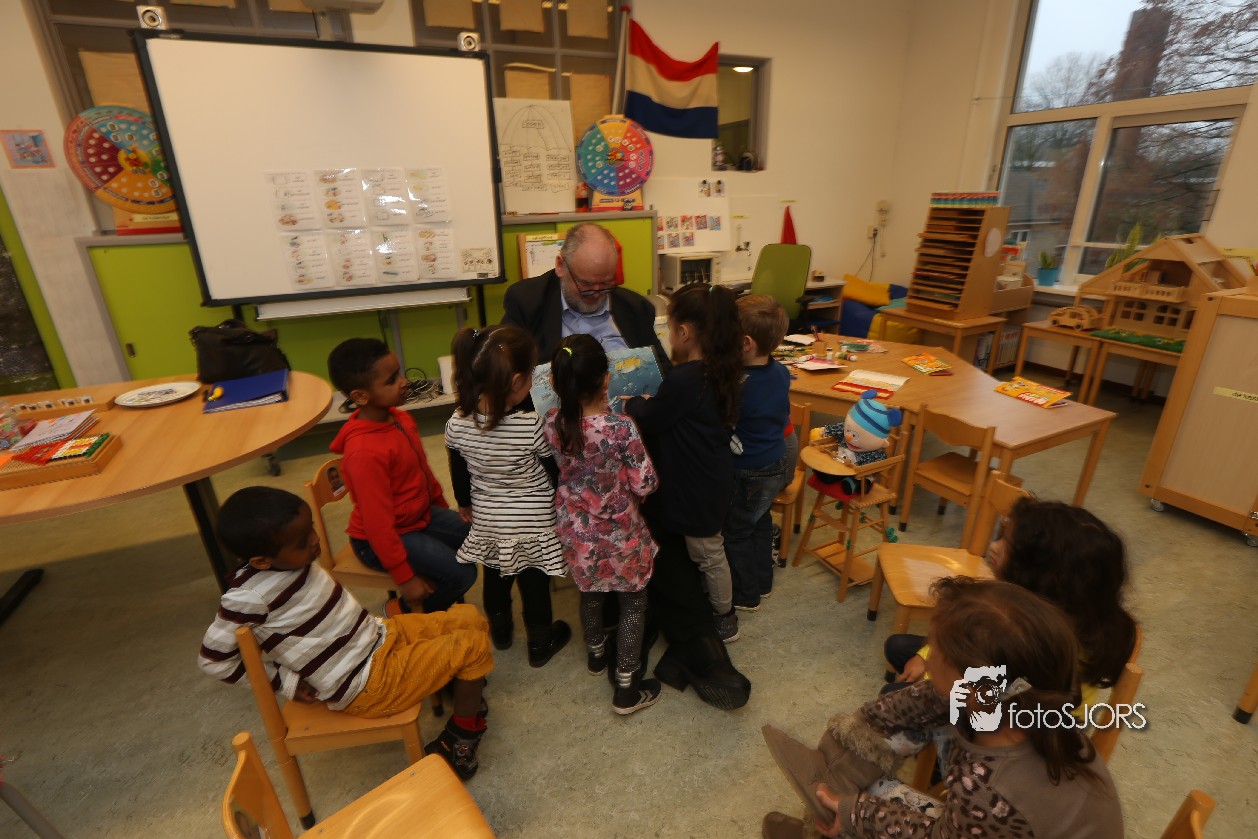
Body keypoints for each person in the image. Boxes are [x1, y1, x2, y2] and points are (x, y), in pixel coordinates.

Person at [761, 577, 1124, 838]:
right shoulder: (1014, 701)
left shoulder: (988, 786)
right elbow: (926, 700)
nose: (927, 652)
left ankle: (829, 819)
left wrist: (857, 812)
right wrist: (858, 727)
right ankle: (828, 803)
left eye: (934, 646)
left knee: (867, 802)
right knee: (894, 728)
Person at [198, 487, 493, 780]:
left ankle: (458, 684)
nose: (315, 540)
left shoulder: (289, 559)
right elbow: (213, 660)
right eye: (302, 542)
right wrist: (284, 681)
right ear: (261, 562)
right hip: (365, 682)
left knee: (468, 617)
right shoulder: (248, 599)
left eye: (311, 529)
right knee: (473, 646)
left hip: (378, 636)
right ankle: (459, 741)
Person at [624, 283, 751, 710]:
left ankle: (720, 618)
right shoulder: (723, 369)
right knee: (704, 549)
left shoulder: (683, 378)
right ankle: (711, 621)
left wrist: (633, 404)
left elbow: (654, 417)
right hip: (713, 477)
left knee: (698, 550)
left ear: (684, 332)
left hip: (689, 487)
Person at [886, 498, 1138, 707]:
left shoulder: (1020, 634)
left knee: (892, 695)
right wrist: (925, 656)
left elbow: (979, 696)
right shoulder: (1077, 614)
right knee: (899, 646)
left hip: (1015, 722)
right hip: (1004, 687)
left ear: (1037, 572)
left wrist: (928, 678)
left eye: (1006, 543)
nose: (994, 547)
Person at [544, 334, 662, 713]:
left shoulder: (552, 422)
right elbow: (645, 482)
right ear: (607, 379)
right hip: (619, 534)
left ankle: (596, 654)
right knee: (634, 602)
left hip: (576, 532)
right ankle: (627, 684)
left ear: (555, 383)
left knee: (590, 593)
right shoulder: (620, 428)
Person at [445, 324, 571, 667]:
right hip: (533, 522)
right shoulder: (531, 426)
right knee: (534, 583)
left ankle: (501, 633)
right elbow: (554, 472)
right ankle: (540, 644)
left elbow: (458, 469)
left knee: (496, 577)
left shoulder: (457, 422)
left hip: (488, 518)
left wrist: (464, 503)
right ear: (517, 381)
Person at [327, 338, 475, 613]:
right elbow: (377, 524)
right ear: (360, 396)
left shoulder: (401, 419)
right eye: (392, 379)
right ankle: (402, 609)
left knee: (483, 539)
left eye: (400, 372)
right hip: (377, 540)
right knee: (463, 574)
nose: (405, 382)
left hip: (419, 517)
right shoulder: (364, 453)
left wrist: (442, 512)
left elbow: (424, 474)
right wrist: (405, 578)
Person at [721, 295, 793, 636]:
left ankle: (747, 594)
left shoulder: (740, 384)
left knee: (736, 532)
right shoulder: (780, 372)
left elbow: (723, 422)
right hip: (776, 462)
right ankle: (763, 581)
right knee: (761, 521)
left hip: (748, 468)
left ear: (745, 343)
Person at [502, 221, 667, 362]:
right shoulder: (527, 303)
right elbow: (506, 372)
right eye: (586, 284)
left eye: (606, 283)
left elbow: (662, 372)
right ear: (560, 266)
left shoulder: (636, 308)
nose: (596, 293)